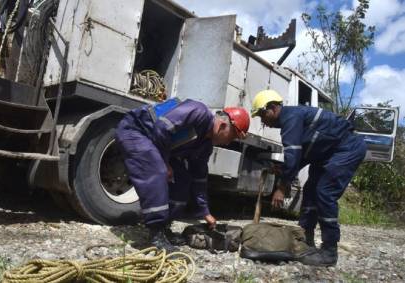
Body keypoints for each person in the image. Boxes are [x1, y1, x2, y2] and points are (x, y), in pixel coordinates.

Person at [116, 98, 249, 252]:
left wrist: (205, 212)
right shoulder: (199, 112)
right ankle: (155, 234)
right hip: (136, 131)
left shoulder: (205, 146)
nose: (228, 142)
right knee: (158, 171)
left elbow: (199, 177)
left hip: (158, 144)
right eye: (232, 137)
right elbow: (161, 127)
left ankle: (164, 227)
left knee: (183, 180)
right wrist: (165, 163)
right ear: (223, 125)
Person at [251, 89, 367, 266]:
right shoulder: (293, 120)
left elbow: (294, 157)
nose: (263, 121)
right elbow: (300, 157)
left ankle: (329, 251)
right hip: (327, 154)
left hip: (347, 149)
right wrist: (284, 171)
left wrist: (282, 187)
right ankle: (305, 241)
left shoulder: (290, 119)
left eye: (262, 115)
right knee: (311, 191)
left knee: (325, 192)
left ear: (273, 108)